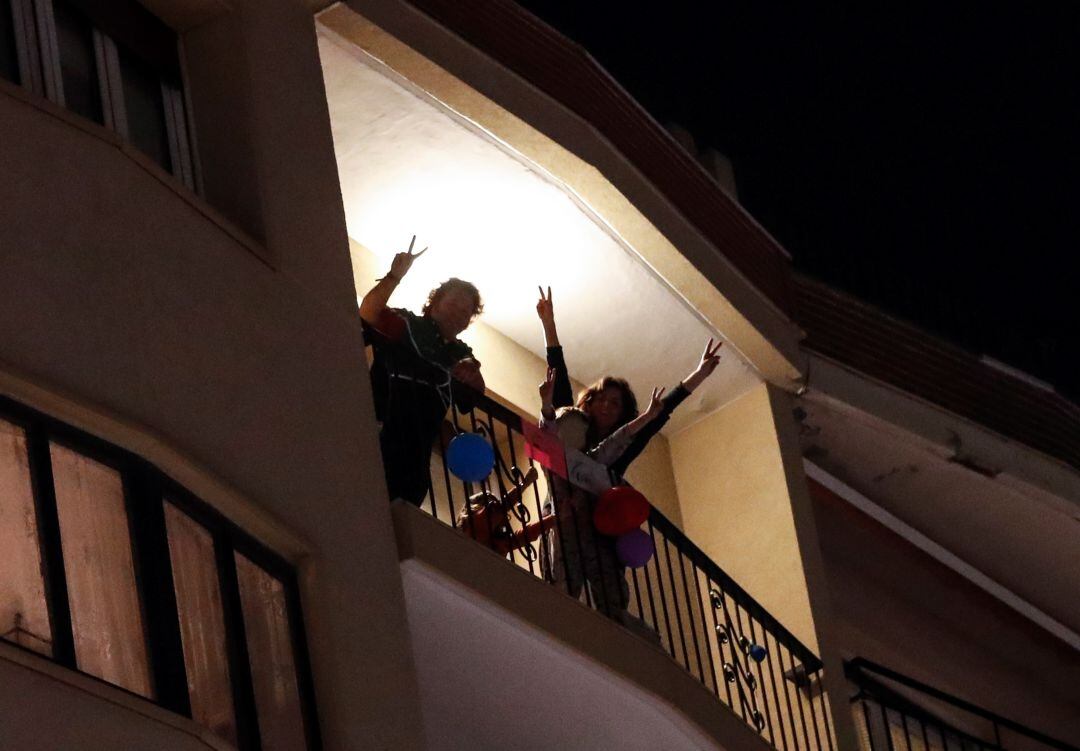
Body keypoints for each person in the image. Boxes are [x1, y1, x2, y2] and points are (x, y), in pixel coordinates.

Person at [534, 286, 723, 626]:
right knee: (563, 581)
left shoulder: (621, 445)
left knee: (607, 589)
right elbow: (557, 379)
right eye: (602, 399)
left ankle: (614, 621)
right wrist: (549, 325)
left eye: (616, 403)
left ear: (624, 414)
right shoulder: (572, 428)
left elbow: (658, 416)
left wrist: (698, 376)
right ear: (589, 402)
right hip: (566, 515)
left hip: (601, 523)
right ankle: (557, 614)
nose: (608, 406)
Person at [359, 237, 486, 505]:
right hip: (376, 438)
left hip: (415, 464)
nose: (459, 313)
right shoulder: (407, 323)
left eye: (466, 311)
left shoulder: (462, 353)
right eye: (454, 303)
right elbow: (368, 315)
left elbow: (474, 395)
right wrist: (394, 276)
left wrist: (471, 370)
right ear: (435, 302)